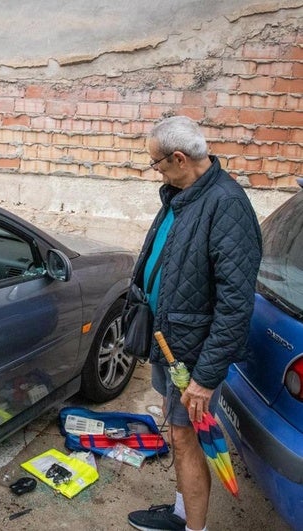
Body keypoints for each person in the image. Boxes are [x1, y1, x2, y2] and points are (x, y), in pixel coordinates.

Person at [127, 116, 262, 531]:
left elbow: (236, 305)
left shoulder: (226, 205)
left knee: (187, 440)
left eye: (157, 163)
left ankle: (194, 527)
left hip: (192, 354)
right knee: (180, 436)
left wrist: (205, 378)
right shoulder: (181, 195)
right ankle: (184, 512)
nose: (156, 171)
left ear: (180, 158)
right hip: (170, 343)